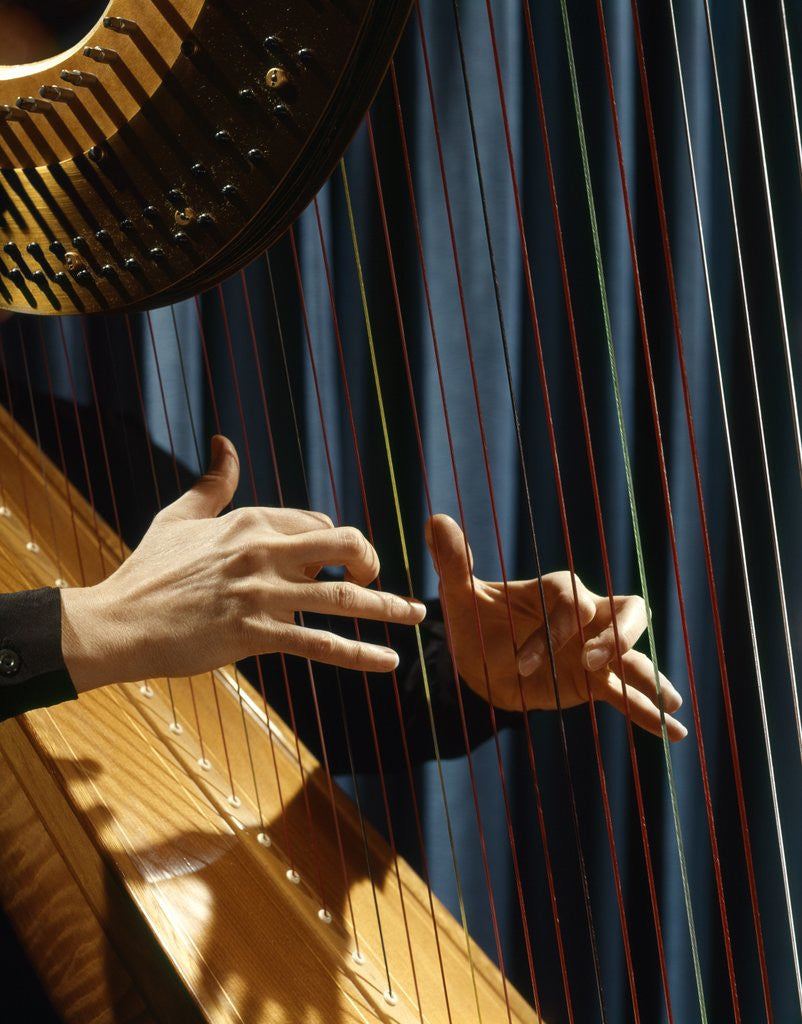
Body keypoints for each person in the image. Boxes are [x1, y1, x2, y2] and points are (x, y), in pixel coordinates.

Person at [0, 435, 685, 752]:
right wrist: (93, 625)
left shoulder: (91, 460)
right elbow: (132, 623)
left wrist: (462, 679)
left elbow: (298, 684)